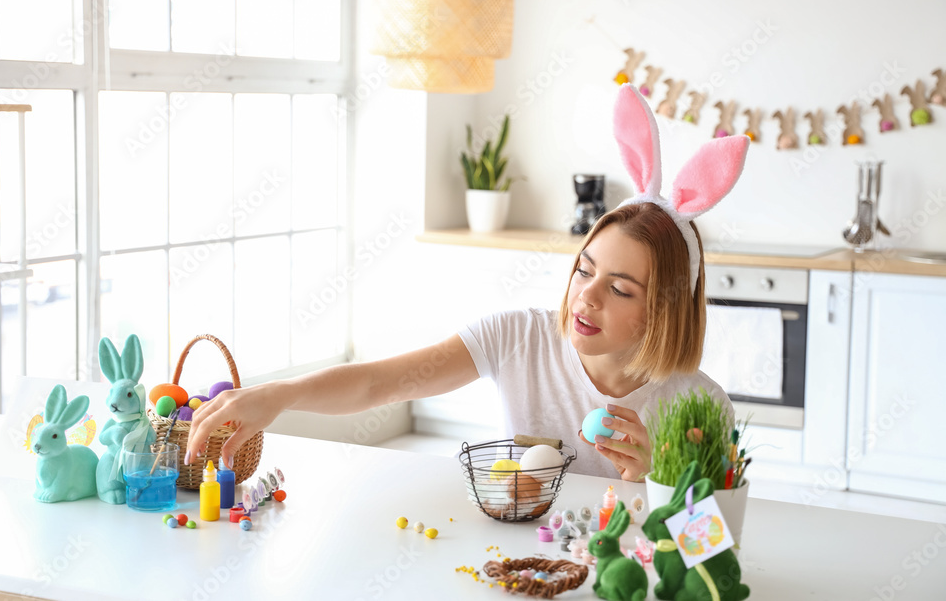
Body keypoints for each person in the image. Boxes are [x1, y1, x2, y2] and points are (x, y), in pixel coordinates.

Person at [185, 84, 750, 481]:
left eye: (621, 288)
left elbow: (720, 545)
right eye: (584, 269)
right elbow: (383, 384)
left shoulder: (699, 406)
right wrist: (277, 396)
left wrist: (664, 480)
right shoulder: (518, 338)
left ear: (664, 311)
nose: (587, 295)